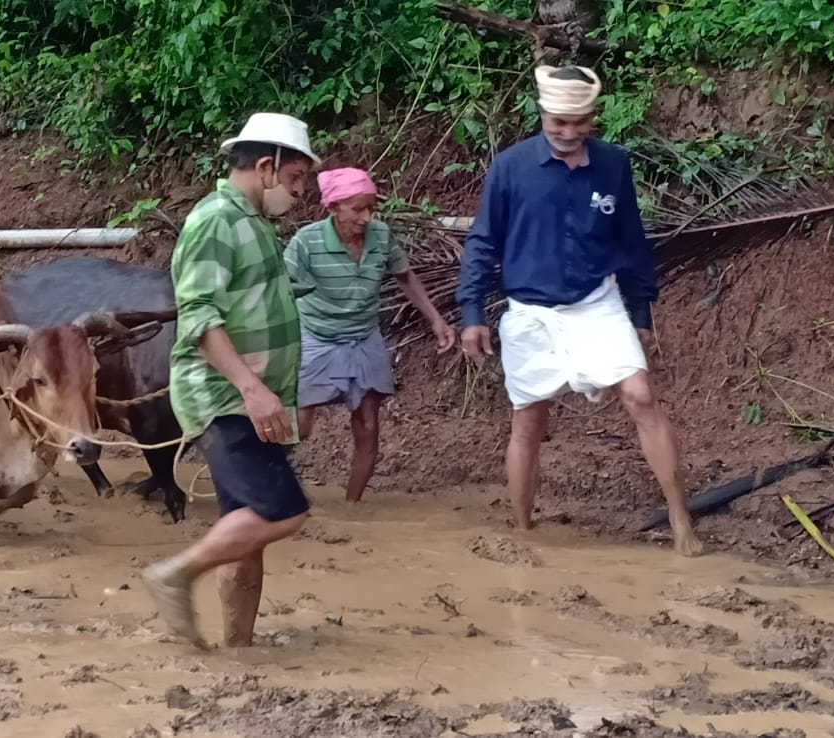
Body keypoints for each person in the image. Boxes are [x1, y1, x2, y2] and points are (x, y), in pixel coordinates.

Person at [455, 65, 704, 556]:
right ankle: (523, 531)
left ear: (593, 117)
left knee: (641, 395)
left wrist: (641, 312)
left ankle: (681, 519)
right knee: (529, 421)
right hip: (530, 309)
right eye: (559, 123)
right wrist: (472, 312)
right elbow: (483, 241)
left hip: (596, 301)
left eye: (580, 122)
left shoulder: (613, 164)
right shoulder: (510, 166)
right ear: (542, 113)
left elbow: (631, 240)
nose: (569, 133)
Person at [139, 112, 317, 649]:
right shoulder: (216, 220)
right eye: (295, 178)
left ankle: (239, 650)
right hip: (225, 397)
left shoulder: (253, 223)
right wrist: (252, 388)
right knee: (283, 510)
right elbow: (198, 317)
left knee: (245, 527)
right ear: (266, 167)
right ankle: (175, 575)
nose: (301, 191)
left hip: (248, 396)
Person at [285, 167, 455, 502]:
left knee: (368, 425)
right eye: (358, 209)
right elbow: (279, 289)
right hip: (317, 336)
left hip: (364, 336)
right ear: (333, 208)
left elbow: (405, 276)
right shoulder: (306, 241)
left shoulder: (381, 235)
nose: (366, 218)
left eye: (371, 209)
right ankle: (274, 494)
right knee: (298, 427)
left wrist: (436, 319)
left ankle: (353, 507)